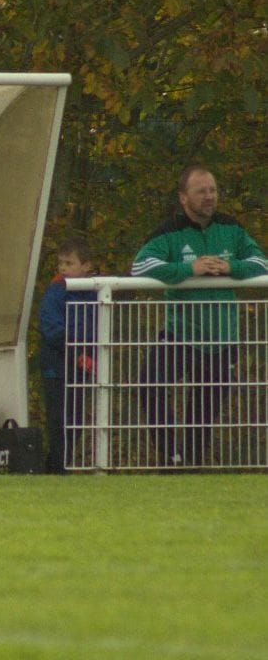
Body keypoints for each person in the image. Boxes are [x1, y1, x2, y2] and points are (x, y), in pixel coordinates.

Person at [131, 165, 268, 466]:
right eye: (201, 191)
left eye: (213, 190)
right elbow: (140, 267)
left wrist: (231, 268)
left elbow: (261, 262)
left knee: (203, 413)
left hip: (222, 339)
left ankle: (191, 468)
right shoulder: (170, 232)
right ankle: (170, 454)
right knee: (148, 385)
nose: (209, 197)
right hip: (180, 334)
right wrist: (187, 271)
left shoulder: (231, 228)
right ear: (183, 198)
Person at [37, 237, 98, 474]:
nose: (63, 268)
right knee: (58, 420)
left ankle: (62, 465)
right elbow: (50, 327)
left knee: (75, 419)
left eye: (69, 263)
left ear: (86, 266)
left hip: (80, 367)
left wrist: (89, 353)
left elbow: (96, 326)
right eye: (61, 263)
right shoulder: (56, 291)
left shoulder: (94, 291)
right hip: (57, 367)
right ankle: (56, 467)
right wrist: (77, 351)